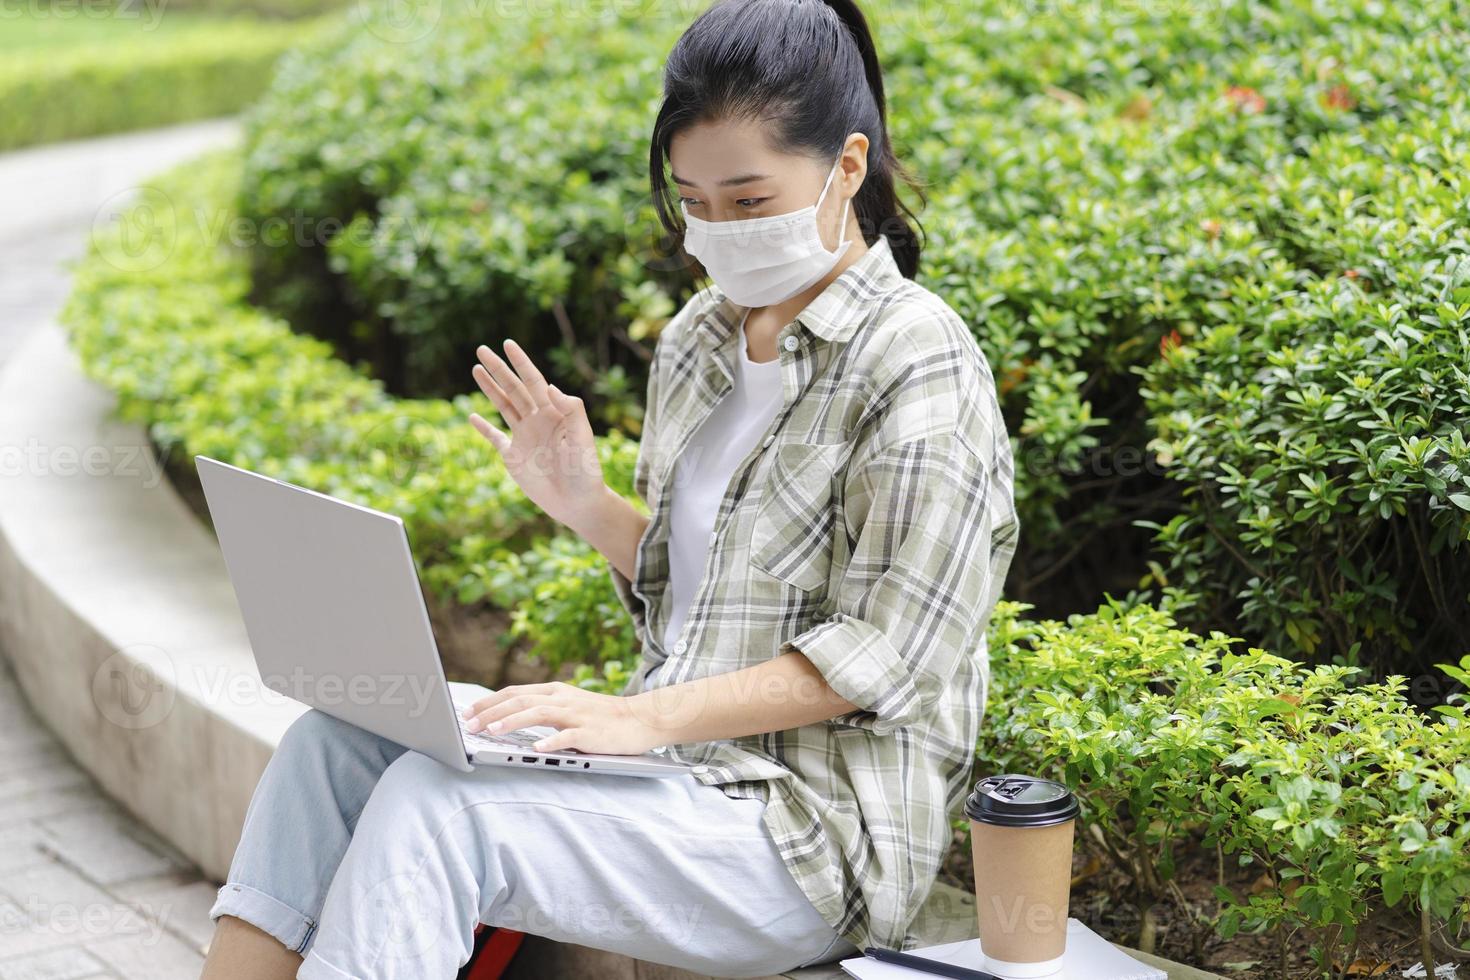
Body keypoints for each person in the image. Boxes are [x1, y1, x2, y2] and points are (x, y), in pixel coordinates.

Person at [199, 0, 1019, 976]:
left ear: (846, 167)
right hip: (670, 781)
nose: (717, 230)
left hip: (812, 835)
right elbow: (696, 599)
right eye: (695, 201)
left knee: (437, 805)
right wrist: (584, 501)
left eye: (750, 200)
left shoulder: (917, 358)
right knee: (332, 743)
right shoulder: (700, 343)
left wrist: (639, 718)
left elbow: (885, 657)